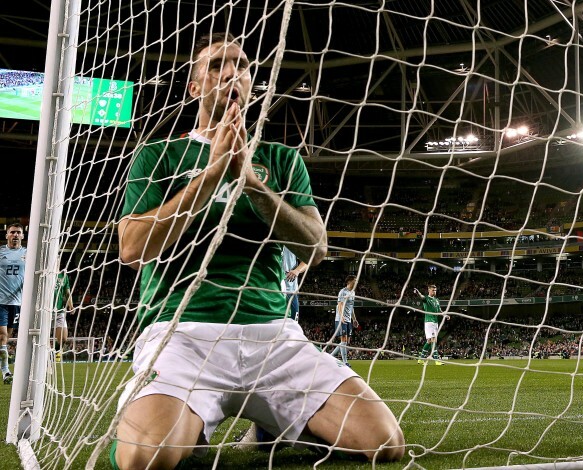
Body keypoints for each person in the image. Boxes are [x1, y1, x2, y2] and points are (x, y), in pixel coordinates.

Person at [113, 32, 404, 469]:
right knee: (144, 460)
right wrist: (210, 176)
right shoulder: (159, 156)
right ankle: (204, 424)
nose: (231, 73)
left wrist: (251, 183)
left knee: (384, 444)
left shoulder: (282, 159)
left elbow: (316, 246)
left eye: (242, 65)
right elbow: (132, 248)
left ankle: (274, 421)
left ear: (250, 82)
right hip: (183, 335)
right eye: (216, 65)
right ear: (194, 87)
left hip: (273, 337)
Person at [0, 223, 26, 384]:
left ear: (22, 236)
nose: (15, 235)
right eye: (12, 232)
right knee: (2, 336)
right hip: (0, 301)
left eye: (18, 232)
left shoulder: (28, 253)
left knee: (6, 338)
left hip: (17, 302)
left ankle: (4, 369)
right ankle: (6, 372)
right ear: (7, 235)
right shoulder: (1, 251)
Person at [415, 284, 450, 365]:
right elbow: (421, 297)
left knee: (429, 341)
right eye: (433, 290)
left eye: (435, 290)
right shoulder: (426, 299)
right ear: (429, 290)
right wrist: (418, 292)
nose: (434, 291)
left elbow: (439, 310)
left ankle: (421, 359)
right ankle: (437, 360)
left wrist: (445, 315)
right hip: (429, 321)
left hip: (435, 322)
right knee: (434, 339)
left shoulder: (436, 300)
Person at [330, 275, 359, 367]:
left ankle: (330, 356)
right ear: (349, 281)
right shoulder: (343, 292)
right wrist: (341, 316)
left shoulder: (353, 293)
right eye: (355, 280)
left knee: (346, 341)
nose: (356, 282)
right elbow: (340, 304)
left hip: (348, 319)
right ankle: (345, 362)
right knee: (344, 340)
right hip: (341, 319)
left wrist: (354, 319)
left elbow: (351, 307)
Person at [281, 245, 308, 322]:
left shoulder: (292, 243)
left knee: (293, 324)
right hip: (273, 290)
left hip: (291, 291)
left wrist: (297, 270)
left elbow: (306, 261)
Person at [53, 270, 74, 362]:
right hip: (45, 311)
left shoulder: (63, 276)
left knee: (64, 338)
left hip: (59, 310)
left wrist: (71, 305)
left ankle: (55, 351)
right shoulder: (46, 274)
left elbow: (67, 292)